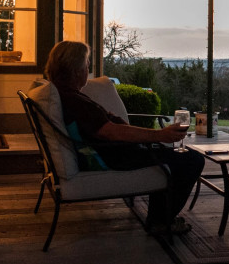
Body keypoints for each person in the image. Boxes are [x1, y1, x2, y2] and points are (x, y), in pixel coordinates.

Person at [45, 40, 204, 235]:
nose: (88, 69)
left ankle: (159, 218)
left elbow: (107, 128)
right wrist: (158, 135)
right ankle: (161, 221)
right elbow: (110, 132)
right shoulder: (74, 101)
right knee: (192, 159)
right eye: (87, 65)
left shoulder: (68, 95)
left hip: (114, 151)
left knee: (173, 155)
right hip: (116, 155)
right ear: (76, 70)